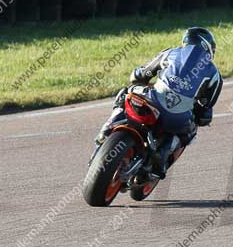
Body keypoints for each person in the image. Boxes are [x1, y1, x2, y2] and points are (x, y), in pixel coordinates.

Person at [95, 27, 223, 178]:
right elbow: (206, 112)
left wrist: (140, 78)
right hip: (178, 118)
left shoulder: (171, 53)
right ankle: (162, 156)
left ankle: (110, 124)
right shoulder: (215, 74)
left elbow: (139, 75)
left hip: (153, 99)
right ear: (208, 47)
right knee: (191, 130)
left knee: (126, 91)